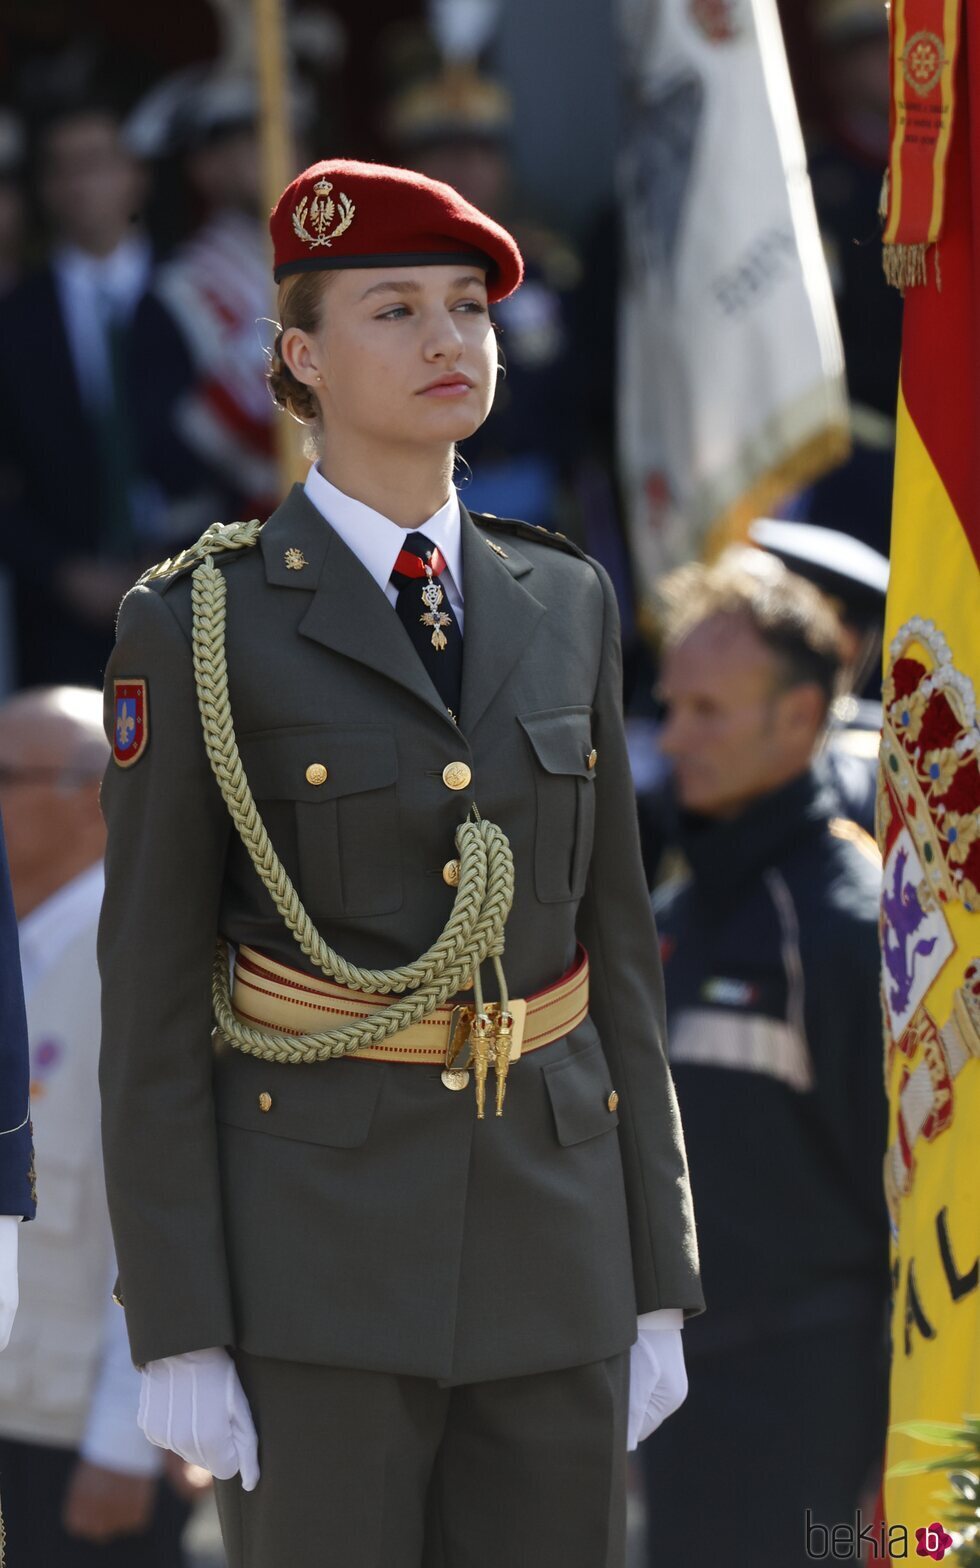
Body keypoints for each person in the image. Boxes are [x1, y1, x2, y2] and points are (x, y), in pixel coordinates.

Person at [98, 157, 704, 1568]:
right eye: (396, 310)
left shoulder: (567, 597)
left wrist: (658, 1271)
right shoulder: (200, 625)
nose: (449, 341)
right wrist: (179, 1316)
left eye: (467, 308)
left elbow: (617, 952)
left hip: (556, 1256)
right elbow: (150, 999)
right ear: (298, 358)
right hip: (314, 1270)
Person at [639, 556, 889, 1568]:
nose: (673, 737)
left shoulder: (853, 925)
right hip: (688, 1410)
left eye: (707, 708)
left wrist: (924, 1488)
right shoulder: (672, 916)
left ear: (798, 717)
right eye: (670, 705)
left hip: (835, 1435)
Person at [0, 687, 189, 1564]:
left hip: (75, 1438)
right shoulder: (26, 943)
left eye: (4, 776)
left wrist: (126, 1440)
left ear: (94, 797)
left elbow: (167, 1219)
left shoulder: (135, 962)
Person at [0, 97, 201, 686]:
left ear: (136, 176)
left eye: (97, 162)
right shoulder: (14, 317)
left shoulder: (196, 294)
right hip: (62, 609)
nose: (80, 184)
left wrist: (174, 558)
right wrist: (63, 572)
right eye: (62, 168)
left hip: (197, 590)